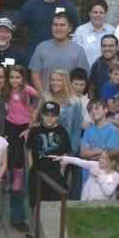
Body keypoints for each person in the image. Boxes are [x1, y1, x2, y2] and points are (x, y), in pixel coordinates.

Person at [5, 65, 42, 231]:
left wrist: (34, 115)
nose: (14, 81)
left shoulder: (26, 89)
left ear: (22, 78)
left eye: (17, 78)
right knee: (12, 149)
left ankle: (18, 175)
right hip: (11, 124)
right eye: (12, 77)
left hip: (24, 125)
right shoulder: (7, 90)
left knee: (20, 151)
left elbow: (41, 97)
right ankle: (9, 176)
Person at [15, 0, 80, 58]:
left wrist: (68, 43)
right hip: (34, 52)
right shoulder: (30, 5)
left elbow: (78, 28)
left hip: (59, 53)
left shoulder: (67, 6)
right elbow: (18, 25)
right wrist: (26, 41)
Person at [44, 69, 84, 199]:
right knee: (47, 186)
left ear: (65, 82)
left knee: (61, 184)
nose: (55, 83)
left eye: (58, 80)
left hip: (66, 150)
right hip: (48, 148)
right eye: (53, 80)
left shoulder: (75, 102)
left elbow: (76, 130)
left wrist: (67, 154)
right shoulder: (45, 99)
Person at [29, 12, 89, 94]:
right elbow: (35, 74)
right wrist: (44, 96)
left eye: (62, 25)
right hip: (45, 101)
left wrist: (71, 98)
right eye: (55, 25)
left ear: (70, 28)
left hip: (69, 102)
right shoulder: (41, 47)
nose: (58, 28)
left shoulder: (78, 50)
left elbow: (81, 79)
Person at [26, 101, 72, 210]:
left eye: (53, 116)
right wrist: (31, 168)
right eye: (46, 115)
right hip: (38, 173)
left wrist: (61, 171)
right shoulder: (35, 130)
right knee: (36, 206)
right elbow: (30, 151)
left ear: (57, 116)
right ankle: (36, 227)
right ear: (42, 115)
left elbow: (66, 152)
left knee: (54, 205)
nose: (49, 118)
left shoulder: (62, 131)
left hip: (55, 174)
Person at [49, 148, 119, 201]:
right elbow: (79, 161)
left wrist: (99, 177)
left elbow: (108, 191)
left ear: (112, 162)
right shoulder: (94, 165)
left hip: (100, 205)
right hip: (86, 200)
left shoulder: (114, 176)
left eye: (104, 158)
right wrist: (63, 158)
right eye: (100, 156)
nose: (100, 159)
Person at [79, 99, 119, 178]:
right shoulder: (88, 130)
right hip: (87, 174)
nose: (93, 111)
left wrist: (90, 153)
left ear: (105, 110)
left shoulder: (112, 130)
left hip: (104, 175)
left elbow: (110, 156)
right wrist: (100, 151)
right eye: (90, 110)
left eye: (97, 108)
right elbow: (82, 154)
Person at [73, 0, 116, 67]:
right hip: (86, 73)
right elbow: (76, 54)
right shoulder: (80, 31)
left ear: (105, 14)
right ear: (89, 14)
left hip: (108, 72)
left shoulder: (111, 30)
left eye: (101, 13)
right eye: (95, 12)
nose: (98, 15)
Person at [88, 34, 119, 98]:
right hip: (100, 106)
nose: (107, 49)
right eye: (104, 46)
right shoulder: (97, 64)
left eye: (111, 46)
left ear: (117, 47)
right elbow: (91, 89)